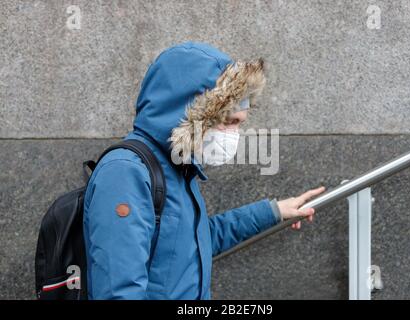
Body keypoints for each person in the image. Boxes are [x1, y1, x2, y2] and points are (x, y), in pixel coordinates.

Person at [83, 41, 326, 300]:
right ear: (190, 112)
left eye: (239, 124)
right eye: (229, 122)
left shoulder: (177, 168)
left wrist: (274, 211)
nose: (234, 134)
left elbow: (194, 242)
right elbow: (118, 292)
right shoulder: (125, 173)